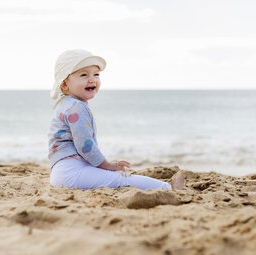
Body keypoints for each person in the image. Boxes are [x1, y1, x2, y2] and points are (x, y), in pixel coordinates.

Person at [48, 49, 185, 190]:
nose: (92, 79)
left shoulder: (66, 104)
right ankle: (167, 187)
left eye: (96, 74)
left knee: (113, 177)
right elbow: (85, 146)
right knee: (120, 178)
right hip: (72, 173)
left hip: (64, 172)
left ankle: (165, 186)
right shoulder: (76, 107)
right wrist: (107, 164)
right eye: (83, 75)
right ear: (64, 85)